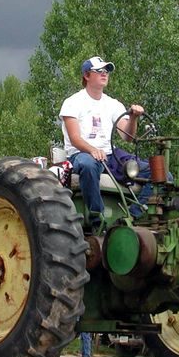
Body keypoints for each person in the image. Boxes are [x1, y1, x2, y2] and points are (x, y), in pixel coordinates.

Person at [59, 56, 153, 228]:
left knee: (159, 173)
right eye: (100, 71)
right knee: (88, 165)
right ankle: (98, 221)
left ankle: (131, 217)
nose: (105, 74)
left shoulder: (113, 104)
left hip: (110, 154)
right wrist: (92, 150)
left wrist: (133, 118)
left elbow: (128, 137)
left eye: (107, 71)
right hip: (82, 153)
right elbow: (75, 138)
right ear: (87, 75)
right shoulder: (72, 103)